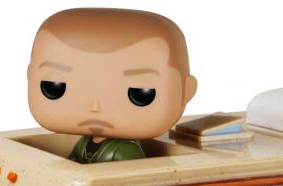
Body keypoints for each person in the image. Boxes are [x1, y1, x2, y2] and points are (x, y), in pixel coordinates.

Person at [27, 8, 197, 163]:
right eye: (54, 87)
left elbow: (128, 177)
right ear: (30, 75)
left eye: (140, 93)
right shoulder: (85, 141)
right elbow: (72, 160)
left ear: (185, 91)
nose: (94, 107)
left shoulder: (126, 150)